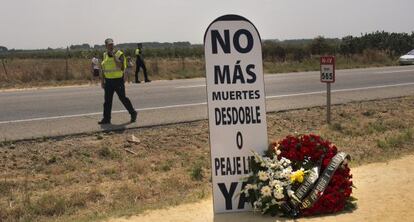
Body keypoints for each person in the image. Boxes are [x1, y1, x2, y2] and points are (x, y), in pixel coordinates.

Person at [99, 38, 137, 125]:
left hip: (118, 81)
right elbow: (103, 69)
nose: (111, 46)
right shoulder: (104, 55)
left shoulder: (119, 54)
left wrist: (114, 57)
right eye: (109, 45)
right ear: (106, 46)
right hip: (108, 81)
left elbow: (121, 66)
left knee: (123, 98)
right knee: (107, 101)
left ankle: (133, 113)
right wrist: (102, 81)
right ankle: (106, 119)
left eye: (112, 44)